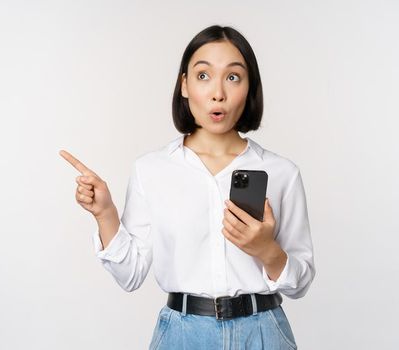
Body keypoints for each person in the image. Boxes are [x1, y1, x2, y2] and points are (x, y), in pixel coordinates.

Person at [60, 25, 315, 350]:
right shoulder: (151, 169)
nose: (218, 93)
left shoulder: (281, 173)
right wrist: (105, 214)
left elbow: (300, 282)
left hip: (263, 332)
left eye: (233, 77)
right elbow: (130, 275)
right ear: (184, 85)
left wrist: (265, 249)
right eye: (204, 76)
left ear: (249, 88)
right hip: (182, 335)